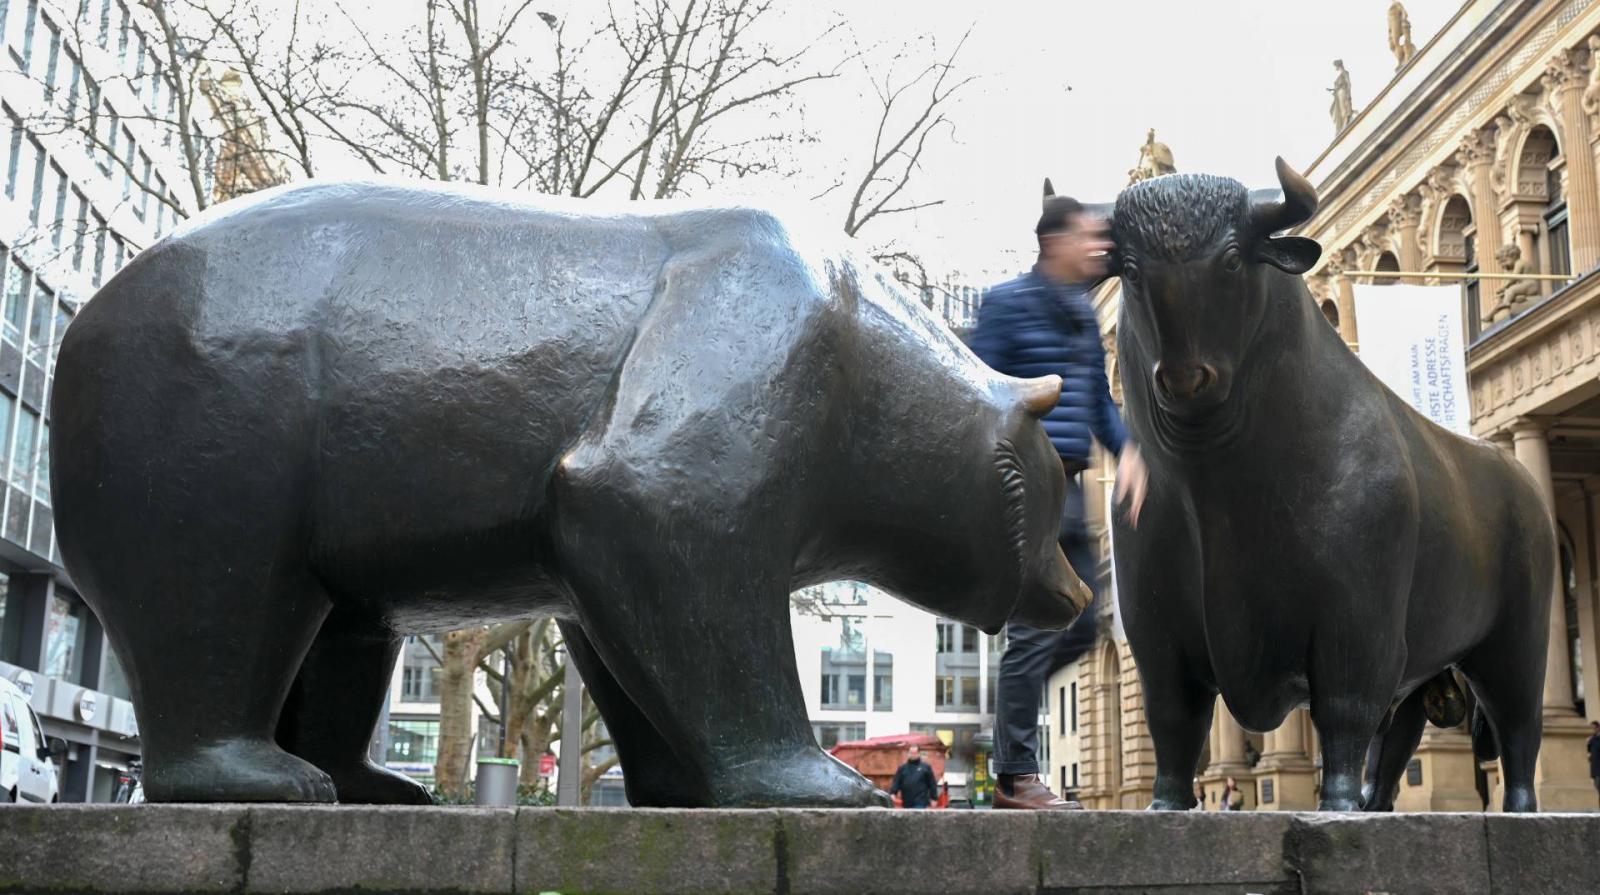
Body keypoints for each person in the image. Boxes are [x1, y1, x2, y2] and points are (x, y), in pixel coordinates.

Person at [970, 186, 1149, 810]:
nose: (1099, 245)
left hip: (1069, 487)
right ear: (1055, 243)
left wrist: (1126, 449)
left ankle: (1009, 733)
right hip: (1026, 482)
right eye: (1088, 235)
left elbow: (1098, 401)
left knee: (1081, 622)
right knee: (1037, 629)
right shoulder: (1008, 304)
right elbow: (977, 389)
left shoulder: (1079, 314)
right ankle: (1017, 774)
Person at [888, 744, 940, 809]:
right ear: (908, 753)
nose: (913, 755)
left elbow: (932, 783)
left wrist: (934, 798)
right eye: (911, 753)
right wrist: (893, 793)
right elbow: (897, 782)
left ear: (918, 754)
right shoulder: (902, 768)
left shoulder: (925, 768)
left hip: (920, 802)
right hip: (906, 802)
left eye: (914, 753)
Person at [1587, 720, 1600, 808]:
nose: (1591, 730)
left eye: (1593, 728)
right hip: (1595, 769)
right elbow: (1589, 751)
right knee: (1597, 787)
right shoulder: (1591, 740)